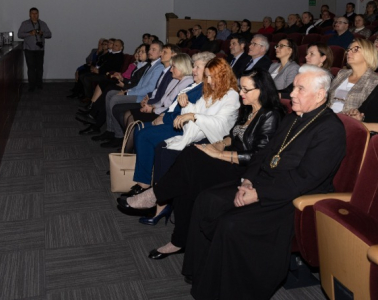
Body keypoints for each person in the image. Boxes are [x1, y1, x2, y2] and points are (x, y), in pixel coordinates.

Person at [180, 65, 346, 299]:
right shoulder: (292, 119)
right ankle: (201, 272)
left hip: (291, 199)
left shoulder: (331, 130)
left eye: (300, 89)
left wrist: (258, 193)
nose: (292, 94)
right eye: (294, 87)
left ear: (320, 95)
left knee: (232, 224)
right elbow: (264, 154)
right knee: (207, 200)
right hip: (261, 182)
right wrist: (248, 181)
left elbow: (305, 179)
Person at [118, 69, 284, 260]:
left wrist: (220, 154)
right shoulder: (248, 108)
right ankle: (178, 239)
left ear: (262, 90)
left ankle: (156, 195)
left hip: (245, 170)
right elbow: (234, 134)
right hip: (230, 158)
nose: (241, 93)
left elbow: (258, 157)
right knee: (187, 172)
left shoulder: (271, 115)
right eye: (241, 88)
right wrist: (219, 144)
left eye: (246, 89)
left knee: (190, 161)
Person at [123, 52, 215, 198]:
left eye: (197, 67)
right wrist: (163, 115)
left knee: (144, 135)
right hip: (175, 120)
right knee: (140, 129)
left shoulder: (205, 88)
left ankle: (144, 183)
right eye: (193, 66)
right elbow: (173, 106)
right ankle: (144, 176)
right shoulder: (194, 84)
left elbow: (187, 114)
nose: (193, 70)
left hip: (185, 129)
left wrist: (164, 118)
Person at [328, 38, 378, 113]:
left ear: (368, 53)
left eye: (355, 49)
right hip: (327, 115)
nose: (349, 52)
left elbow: (371, 111)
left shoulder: (375, 81)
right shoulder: (342, 74)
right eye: (349, 49)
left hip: (348, 121)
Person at [17, 7, 52, 92]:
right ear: (29, 14)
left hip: (39, 49)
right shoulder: (25, 24)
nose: (34, 15)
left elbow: (49, 34)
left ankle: (39, 84)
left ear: (38, 14)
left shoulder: (42, 24)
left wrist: (42, 33)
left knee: (39, 67)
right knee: (31, 68)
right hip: (29, 49)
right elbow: (19, 35)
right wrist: (29, 33)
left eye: (36, 13)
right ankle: (31, 85)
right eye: (32, 13)